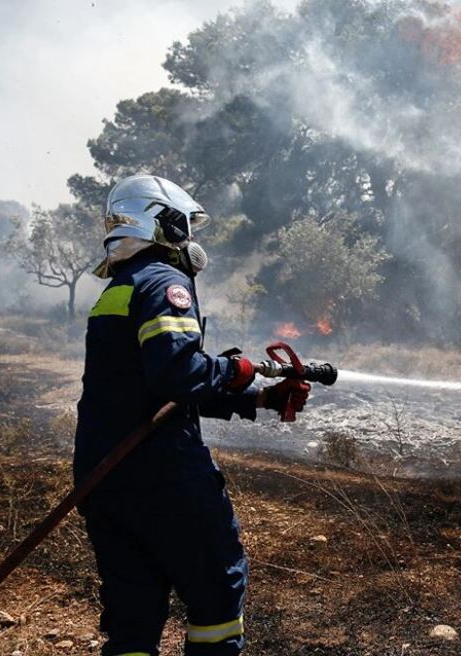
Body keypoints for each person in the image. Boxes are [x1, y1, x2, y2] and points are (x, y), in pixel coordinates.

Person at [74, 174, 309, 655]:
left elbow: (156, 389)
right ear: (165, 225)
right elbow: (179, 376)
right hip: (162, 474)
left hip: (105, 476)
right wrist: (234, 368)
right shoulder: (165, 282)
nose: (191, 241)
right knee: (217, 592)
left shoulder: (120, 287)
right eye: (185, 226)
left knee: (133, 614)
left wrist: (259, 399)